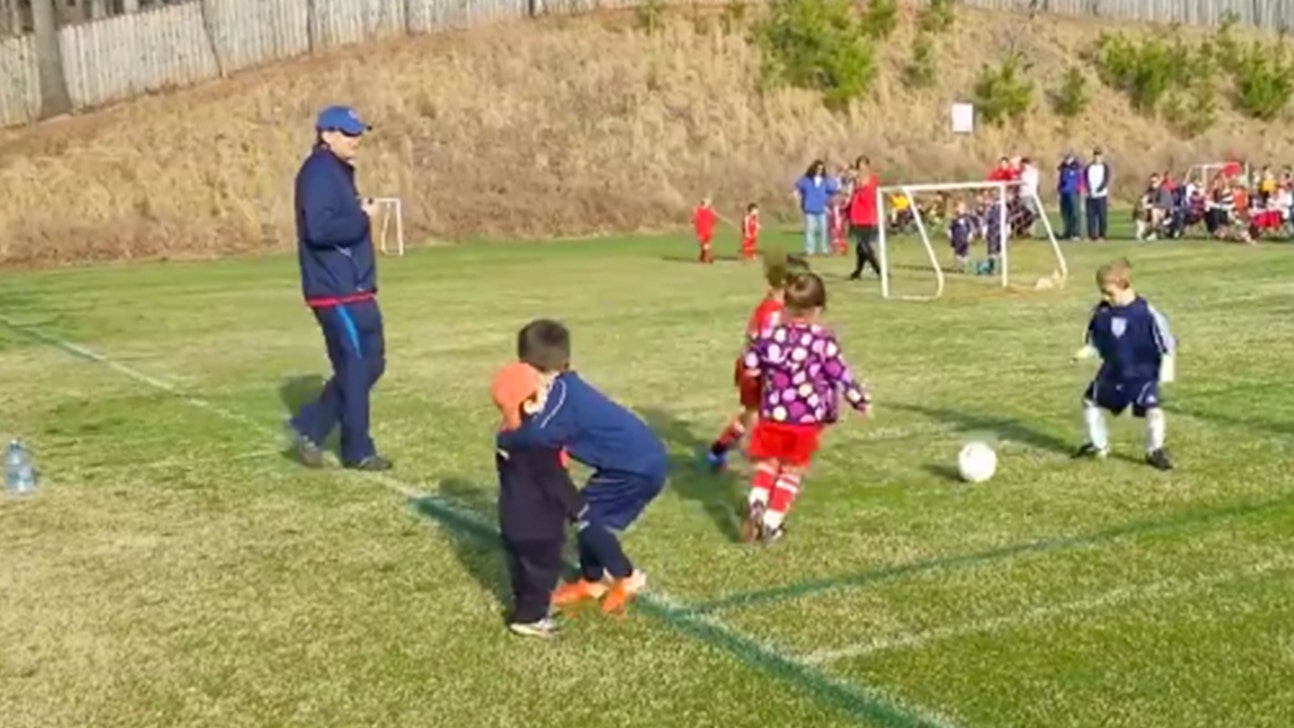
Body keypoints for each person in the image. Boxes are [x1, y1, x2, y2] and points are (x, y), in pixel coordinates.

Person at [496, 319, 668, 615]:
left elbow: (531, 439)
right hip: (633, 462)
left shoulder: (557, 402)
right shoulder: (562, 386)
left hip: (636, 468)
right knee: (584, 514)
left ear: (525, 365)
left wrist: (507, 424)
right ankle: (592, 581)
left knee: (588, 519)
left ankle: (627, 577)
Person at [287, 105, 392, 472]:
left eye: (358, 132)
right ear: (326, 135)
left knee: (371, 364)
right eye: (348, 133)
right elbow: (319, 229)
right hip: (335, 289)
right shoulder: (318, 172)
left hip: (356, 287)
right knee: (356, 366)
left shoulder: (337, 171)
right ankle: (358, 449)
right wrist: (361, 217)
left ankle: (310, 427)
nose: (356, 139)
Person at [739, 272, 871, 543]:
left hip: (772, 414)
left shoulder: (769, 336)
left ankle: (757, 498)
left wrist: (758, 374)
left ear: (785, 306)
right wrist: (859, 400)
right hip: (805, 421)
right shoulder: (822, 341)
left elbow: (750, 365)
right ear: (818, 309)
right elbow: (840, 374)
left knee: (768, 462)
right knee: (792, 469)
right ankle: (772, 522)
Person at [491, 363, 588, 638]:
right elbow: (555, 479)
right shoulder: (537, 441)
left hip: (513, 516)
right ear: (529, 403)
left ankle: (528, 608)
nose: (547, 394)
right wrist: (579, 509)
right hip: (539, 522)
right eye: (543, 390)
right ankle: (529, 617)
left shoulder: (506, 433)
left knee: (523, 570)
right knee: (541, 571)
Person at [705, 251, 809, 471]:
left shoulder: (778, 306)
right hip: (756, 373)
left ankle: (719, 448)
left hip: (757, 369)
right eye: (801, 286)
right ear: (787, 285)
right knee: (758, 422)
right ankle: (761, 472)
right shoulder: (772, 314)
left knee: (754, 414)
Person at [1072, 259, 1176, 471]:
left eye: (1109, 293)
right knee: (1090, 402)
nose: (1105, 297)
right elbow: (1096, 339)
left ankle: (1155, 450)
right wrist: (1088, 350)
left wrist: (1167, 368)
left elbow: (1167, 343)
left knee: (1153, 410)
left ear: (1124, 285)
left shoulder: (1146, 313)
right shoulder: (1102, 312)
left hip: (1142, 371)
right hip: (1113, 371)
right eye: (1102, 292)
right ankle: (1098, 445)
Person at [847, 156, 883, 281]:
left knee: (864, 245)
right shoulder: (854, 181)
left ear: (867, 166)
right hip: (855, 215)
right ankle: (858, 271)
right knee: (860, 246)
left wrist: (859, 182)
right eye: (859, 166)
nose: (860, 169)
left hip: (867, 216)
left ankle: (879, 270)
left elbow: (870, 195)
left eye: (862, 166)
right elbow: (848, 194)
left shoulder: (873, 180)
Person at [793, 160, 839, 256]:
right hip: (810, 208)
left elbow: (834, 189)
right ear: (814, 169)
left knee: (824, 230)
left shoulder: (825, 180)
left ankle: (824, 250)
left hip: (822, 208)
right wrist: (797, 194)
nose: (819, 171)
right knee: (810, 230)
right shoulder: (807, 180)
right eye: (818, 169)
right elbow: (798, 185)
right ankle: (810, 250)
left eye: (822, 169)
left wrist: (829, 198)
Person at [1084, 148, 1112, 242]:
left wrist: (1099, 189)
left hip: (1101, 195)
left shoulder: (1105, 167)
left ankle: (1102, 235)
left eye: (1099, 156)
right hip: (1090, 195)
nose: (1097, 158)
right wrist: (1088, 189)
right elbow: (1085, 179)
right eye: (1096, 156)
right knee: (1090, 216)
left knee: (1102, 216)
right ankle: (1091, 235)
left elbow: (1106, 180)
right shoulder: (1089, 167)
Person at [1057, 152, 1084, 240]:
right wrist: (1059, 189)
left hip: (1073, 193)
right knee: (1065, 214)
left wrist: (1079, 189)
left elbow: (1081, 180)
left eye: (1069, 158)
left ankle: (1076, 233)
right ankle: (1067, 232)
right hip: (1064, 193)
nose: (1067, 160)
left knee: (1074, 214)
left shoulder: (1076, 168)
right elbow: (1061, 179)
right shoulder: (1063, 168)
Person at [947, 199, 975, 272]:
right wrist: (950, 235)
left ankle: (964, 266)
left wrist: (970, 235)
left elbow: (971, 227)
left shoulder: (967, 218)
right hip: (957, 238)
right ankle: (958, 266)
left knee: (965, 252)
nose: (960, 210)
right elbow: (950, 227)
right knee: (957, 253)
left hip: (964, 238)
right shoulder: (954, 219)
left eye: (962, 208)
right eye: (958, 208)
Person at [694, 197, 718, 264]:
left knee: (704, 244)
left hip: (704, 230)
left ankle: (709, 257)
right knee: (705, 244)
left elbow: (696, 219)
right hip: (706, 230)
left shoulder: (700, 211)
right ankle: (702, 258)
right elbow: (714, 220)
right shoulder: (708, 211)